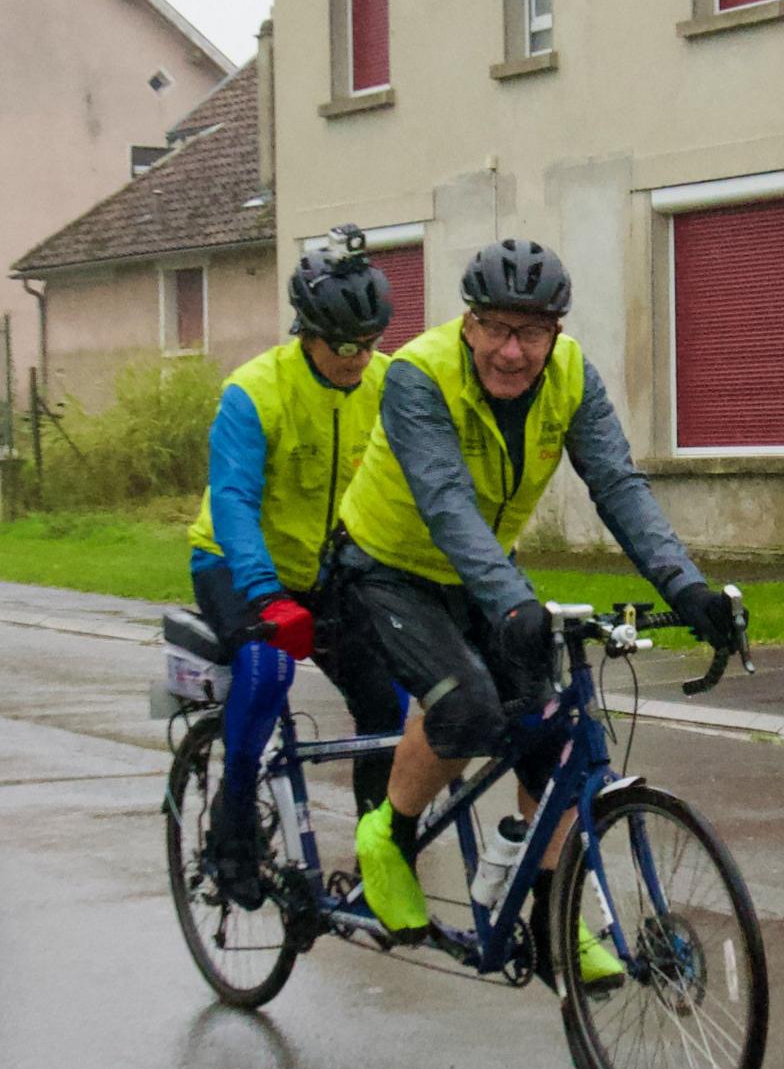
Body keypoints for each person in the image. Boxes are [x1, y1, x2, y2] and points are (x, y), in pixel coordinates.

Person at [328, 239, 746, 970]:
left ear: (556, 332)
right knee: (465, 708)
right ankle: (387, 836)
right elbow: (446, 502)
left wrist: (685, 586)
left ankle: (552, 918)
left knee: (551, 736)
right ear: (468, 324)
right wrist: (515, 604)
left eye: (531, 333)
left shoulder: (572, 375)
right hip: (387, 570)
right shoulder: (419, 376)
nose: (512, 351)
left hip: (486, 575)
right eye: (495, 328)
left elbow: (616, 483)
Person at [189, 246, 405, 866]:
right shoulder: (255, 391)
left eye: (370, 342)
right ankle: (231, 823)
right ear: (307, 334)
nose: (359, 359)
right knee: (266, 670)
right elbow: (232, 501)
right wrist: (265, 593)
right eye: (343, 346)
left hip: (327, 570)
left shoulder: (386, 385)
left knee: (386, 697)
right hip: (233, 564)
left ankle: (381, 846)